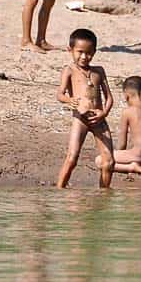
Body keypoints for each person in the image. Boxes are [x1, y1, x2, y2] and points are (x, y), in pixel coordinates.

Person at [56, 29, 114, 188]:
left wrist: (104, 113)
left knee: (109, 162)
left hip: (99, 120)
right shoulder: (69, 70)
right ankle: (58, 191)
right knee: (72, 158)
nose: (84, 57)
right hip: (80, 119)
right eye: (80, 52)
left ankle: (104, 196)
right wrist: (69, 100)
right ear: (70, 50)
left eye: (88, 53)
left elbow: (109, 97)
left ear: (94, 52)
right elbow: (59, 94)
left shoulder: (98, 71)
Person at [98, 76, 141, 176]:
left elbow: (122, 144)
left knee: (100, 160)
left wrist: (118, 155)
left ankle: (132, 167)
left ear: (126, 97)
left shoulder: (128, 111)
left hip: (139, 156)